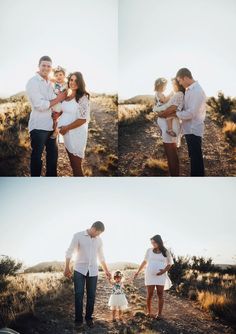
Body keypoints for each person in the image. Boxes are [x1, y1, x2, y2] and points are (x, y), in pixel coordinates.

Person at [64, 221, 111, 329]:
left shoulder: (99, 240)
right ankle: (78, 320)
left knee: (91, 296)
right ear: (93, 228)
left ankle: (89, 318)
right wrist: (66, 267)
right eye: (98, 233)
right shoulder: (78, 235)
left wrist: (106, 271)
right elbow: (69, 251)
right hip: (79, 270)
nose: (99, 235)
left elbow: (101, 257)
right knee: (78, 295)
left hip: (93, 271)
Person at [26, 56, 67, 176]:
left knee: (53, 158)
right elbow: (40, 105)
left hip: (52, 126)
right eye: (43, 65)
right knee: (37, 157)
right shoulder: (32, 82)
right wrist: (59, 98)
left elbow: (57, 101)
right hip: (39, 127)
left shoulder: (51, 82)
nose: (46, 68)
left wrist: (58, 114)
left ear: (51, 68)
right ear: (38, 66)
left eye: (49, 66)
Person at [58, 72, 90, 176]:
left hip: (76, 135)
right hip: (67, 134)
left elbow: (83, 119)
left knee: (76, 167)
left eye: (76, 80)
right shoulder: (68, 95)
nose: (73, 82)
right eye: (71, 80)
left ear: (80, 82)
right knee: (72, 164)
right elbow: (65, 110)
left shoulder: (83, 98)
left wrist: (66, 128)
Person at [175, 68, 206, 176]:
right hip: (189, 129)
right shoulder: (190, 89)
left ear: (186, 77)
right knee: (194, 157)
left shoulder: (196, 91)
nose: (179, 83)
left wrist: (176, 114)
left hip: (193, 129)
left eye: (180, 80)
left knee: (196, 158)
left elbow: (191, 113)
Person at [134, 235, 173, 320]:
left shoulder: (166, 251)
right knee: (150, 294)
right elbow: (144, 262)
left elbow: (169, 264)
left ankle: (159, 314)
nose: (153, 244)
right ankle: (149, 312)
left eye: (154, 242)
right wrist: (138, 271)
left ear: (159, 242)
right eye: (152, 243)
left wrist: (163, 271)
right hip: (149, 275)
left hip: (161, 275)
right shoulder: (149, 250)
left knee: (160, 294)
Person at [154, 78, 185, 176]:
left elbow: (170, 109)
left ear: (178, 85)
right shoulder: (172, 95)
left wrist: (160, 113)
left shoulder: (179, 94)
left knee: (171, 154)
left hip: (170, 125)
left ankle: (175, 178)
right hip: (166, 126)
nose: (171, 87)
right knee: (170, 154)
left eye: (173, 85)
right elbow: (166, 104)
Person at [50, 66, 68, 139]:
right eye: (56, 75)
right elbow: (49, 78)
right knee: (54, 118)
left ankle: (56, 131)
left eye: (60, 75)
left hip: (63, 104)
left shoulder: (66, 84)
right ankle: (54, 130)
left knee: (59, 119)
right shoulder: (55, 83)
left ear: (64, 76)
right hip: (55, 103)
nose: (58, 77)